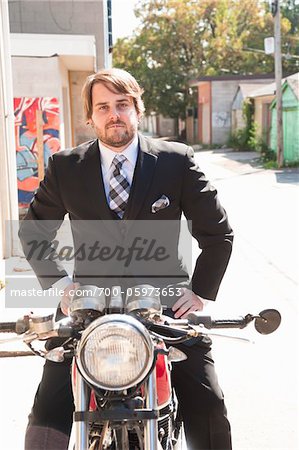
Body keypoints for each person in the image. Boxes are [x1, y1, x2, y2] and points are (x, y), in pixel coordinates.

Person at [19, 68, 234, 450]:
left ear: (137, 108)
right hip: (88, 306)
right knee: (47, 409)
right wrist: (61, 286)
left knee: (209, 401)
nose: (113, 114)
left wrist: (199, 292)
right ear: (90, 116)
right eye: (103, 107)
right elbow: (34, 232)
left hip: (166, 305)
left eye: (122, 104)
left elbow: (218, 234)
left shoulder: (176, 161)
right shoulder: (65, 166)